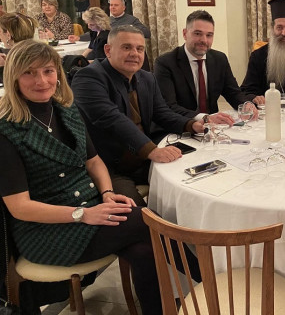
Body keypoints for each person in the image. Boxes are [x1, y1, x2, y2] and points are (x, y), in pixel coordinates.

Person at [0, 40, 167, 315]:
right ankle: (209, 284)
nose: (41, 81)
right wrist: (82, 214)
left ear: (58, 73)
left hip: (89, 206)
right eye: (29, 73)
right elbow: (20, 207)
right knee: (149, 221)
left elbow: (94, 161)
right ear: (13, 77)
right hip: (46, 230)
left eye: (48, 71)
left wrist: (107, 194)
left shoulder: (65, 109)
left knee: (143, 249)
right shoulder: (6, 131)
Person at [72, 25, 206, 205]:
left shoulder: (146, 78)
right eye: (127, 47)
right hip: (110, 166)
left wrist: (191, 124)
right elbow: (112, 119)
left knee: (198, 183)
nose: (134, 54)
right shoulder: (88, 77)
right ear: (108, 50)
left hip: (143, 159)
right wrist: (151, 151)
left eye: (140, 49)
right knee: (135, 215)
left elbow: (162, 113)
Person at [154, 10, 255, 123]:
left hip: (213, 127)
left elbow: (233, 93)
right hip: (180, 126)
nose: (204, 40)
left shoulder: (219, 59)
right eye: (197, 34)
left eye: (209, 35)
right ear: (185, 34)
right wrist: (205, 118)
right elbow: (169, 106)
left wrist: (246, 105)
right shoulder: (165, 63)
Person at [0, 12, 38, 83]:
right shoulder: (34, 50)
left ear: (8, 35)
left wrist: (4, 67)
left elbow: (15, 85)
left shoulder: (23, 55)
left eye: (0, 32)